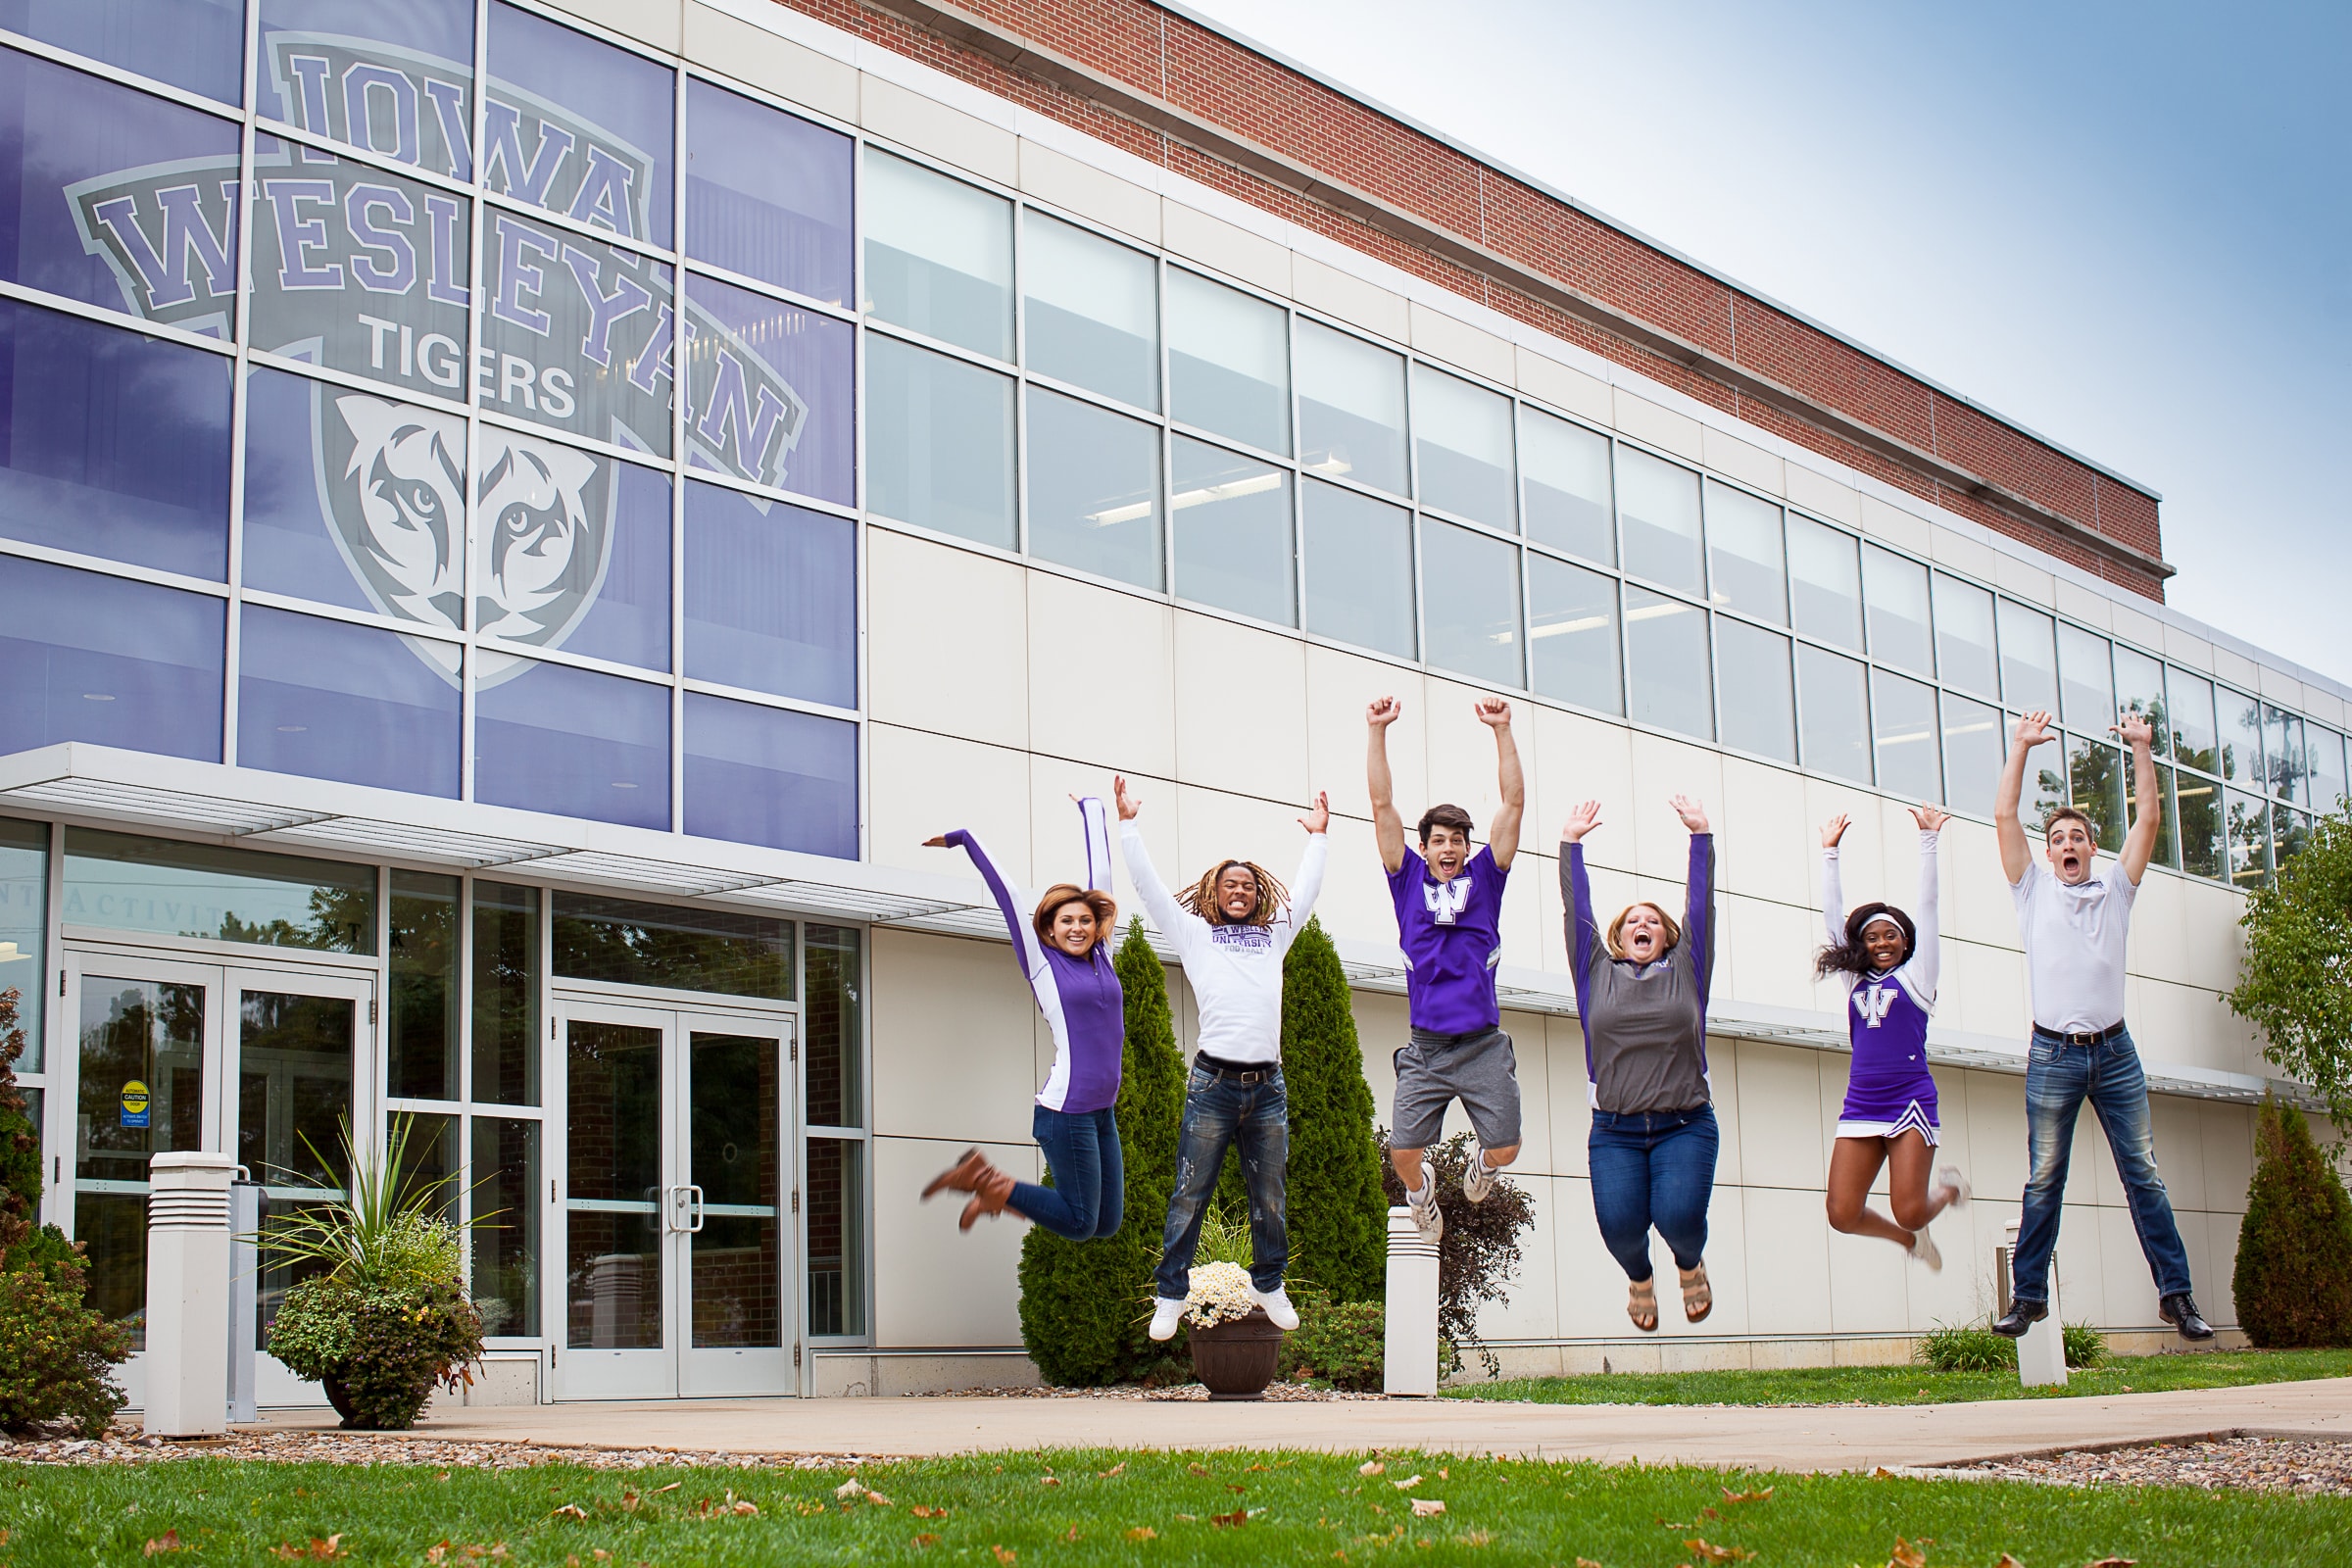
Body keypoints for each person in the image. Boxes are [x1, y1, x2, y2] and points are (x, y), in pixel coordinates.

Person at [1991, 709, 2213, 1341]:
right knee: (2044, 1177)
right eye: (2057, 837)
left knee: (2143, 1174)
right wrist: (2020, 749)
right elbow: (2007, 818)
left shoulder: (2118, 887)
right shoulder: (2030, 890)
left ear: (2091, 848)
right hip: (2053, 1056)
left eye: (2076, 837)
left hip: (2115, 1055)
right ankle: (2029, 1297)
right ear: (2049, 850)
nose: (2066, 844)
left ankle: (2178, 1297)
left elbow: (2149, 819)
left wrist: (2142, 748)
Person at [1115, 776, 1331, 1342]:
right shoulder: (1194, 934)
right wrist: (1130, 825)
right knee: (1190, 1189)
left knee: (1271, 1193)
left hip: (1268, 1088)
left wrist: (1318, 838)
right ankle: (1170, 1292)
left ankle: (1269, 1280)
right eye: (1230, 885)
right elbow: (1149, 888)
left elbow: (1305, 892)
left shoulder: (1275, 936)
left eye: (1247, 886)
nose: (1239, 892)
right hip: (1213, 1084)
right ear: (1215, 892)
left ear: (1258, 894)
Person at [919, 796, 1126, 1244]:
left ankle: (995, 1191)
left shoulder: (1104, 957)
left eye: (1086, 920)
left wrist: (1093, 808)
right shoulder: (1042, 963)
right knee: (1078, 1222)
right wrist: (963, 839)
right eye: (1066, 920)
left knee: (1105, 1224)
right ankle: (989, 1182)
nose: (1077, 927)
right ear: (1049, 929)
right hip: (1065, 1111)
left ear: (1097, 927)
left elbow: (1103, 878)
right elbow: (1008, 894)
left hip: (1101, 1110)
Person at [1367, 695, 1526, 1246]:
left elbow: (1513, 803)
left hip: (1481, 1044)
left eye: (1458, 839)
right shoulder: (1406, 879)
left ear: (1467, 846)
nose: (1450, 847)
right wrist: (1377, 730)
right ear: (1424, 848)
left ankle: (1483, 1165)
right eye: (1439, 840)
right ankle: (1421, 1195)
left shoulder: (1486, 879)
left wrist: (1502, 730)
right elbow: (1382, 804)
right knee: (1403, 1154)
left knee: (1507, 1147)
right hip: (1428, 1048)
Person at [1560, 793, 1718, 1330]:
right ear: (1618, 938)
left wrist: (1700, 838)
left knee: (1678, 1217)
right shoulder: (1594, 974)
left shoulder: (1688, 971)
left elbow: (1701, 907)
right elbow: (1575, 910)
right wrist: (1571, 844)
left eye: (1653, 920)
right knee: (1621, 1227)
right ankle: (1640, 1277)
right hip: (1614, 1130)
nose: (1643, 924)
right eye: (1633, 921)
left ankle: (1689, 1265)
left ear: (1668, 937)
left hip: (1684, 1124)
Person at [1816, 807, 1972, 1268]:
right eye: (1872, 938)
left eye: (1891, 936)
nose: (1882, 943)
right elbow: (1830, 921)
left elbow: (1928, 905)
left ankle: (1946, 1192)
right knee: (1841, 1213)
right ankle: (1909, 1244)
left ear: (1906, 943)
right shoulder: (1853, 981)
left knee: (1909, 1209)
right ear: (1860, 946)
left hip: (1909, 1100)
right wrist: (1830, 853)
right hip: (1862, 1102)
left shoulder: (1919, 977)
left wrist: (1928, 841)